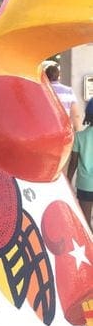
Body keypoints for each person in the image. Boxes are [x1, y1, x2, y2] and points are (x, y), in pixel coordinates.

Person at [67, 98, 93, 230]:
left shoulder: (80, 137)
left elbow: (73, 162)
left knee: (86, 221)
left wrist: (68, 181)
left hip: (85, 186)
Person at [45, 63, 82, 131]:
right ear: (58, 75)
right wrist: (77, 130)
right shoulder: (68, 91)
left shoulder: (42, 90)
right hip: (63, 131)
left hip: (45, 131)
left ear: (45, 76)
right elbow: (75, 115)